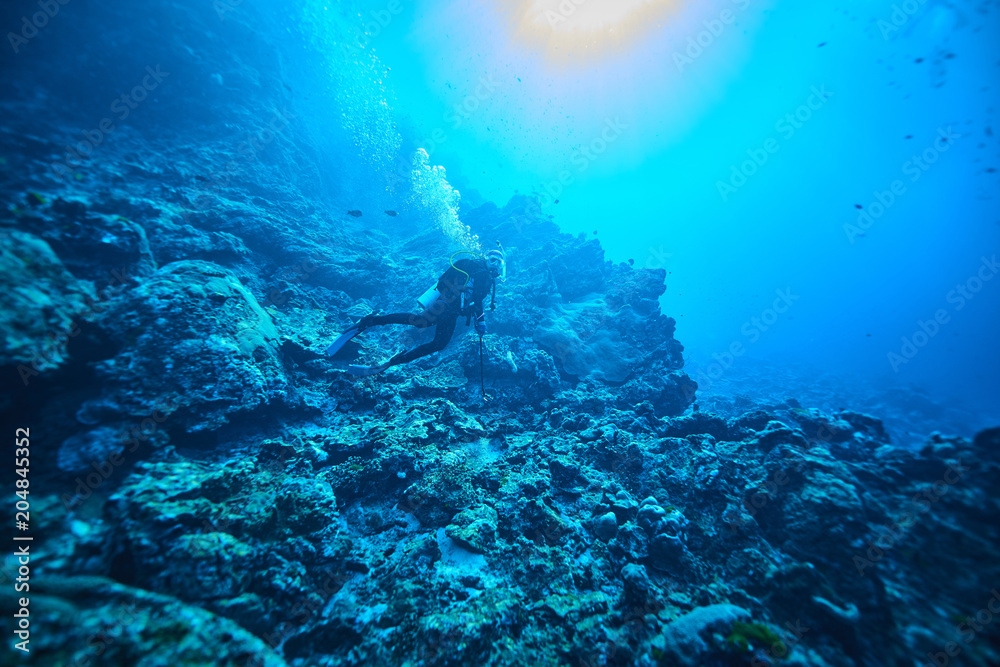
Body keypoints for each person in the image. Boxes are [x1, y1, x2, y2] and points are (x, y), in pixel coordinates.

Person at [336, 247, 506, 375]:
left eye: (499, 263)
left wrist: (476, 315)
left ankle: (394, 357)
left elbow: (474, 301)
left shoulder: (487, 279)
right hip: (446, 305)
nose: (495, 265)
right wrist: (481, 321)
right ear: (486, 259)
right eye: (493, 260)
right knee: (420, 322)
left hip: (452, 310)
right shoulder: (480, 272)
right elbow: (476, 301)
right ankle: (372, 322)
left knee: (438, 343)